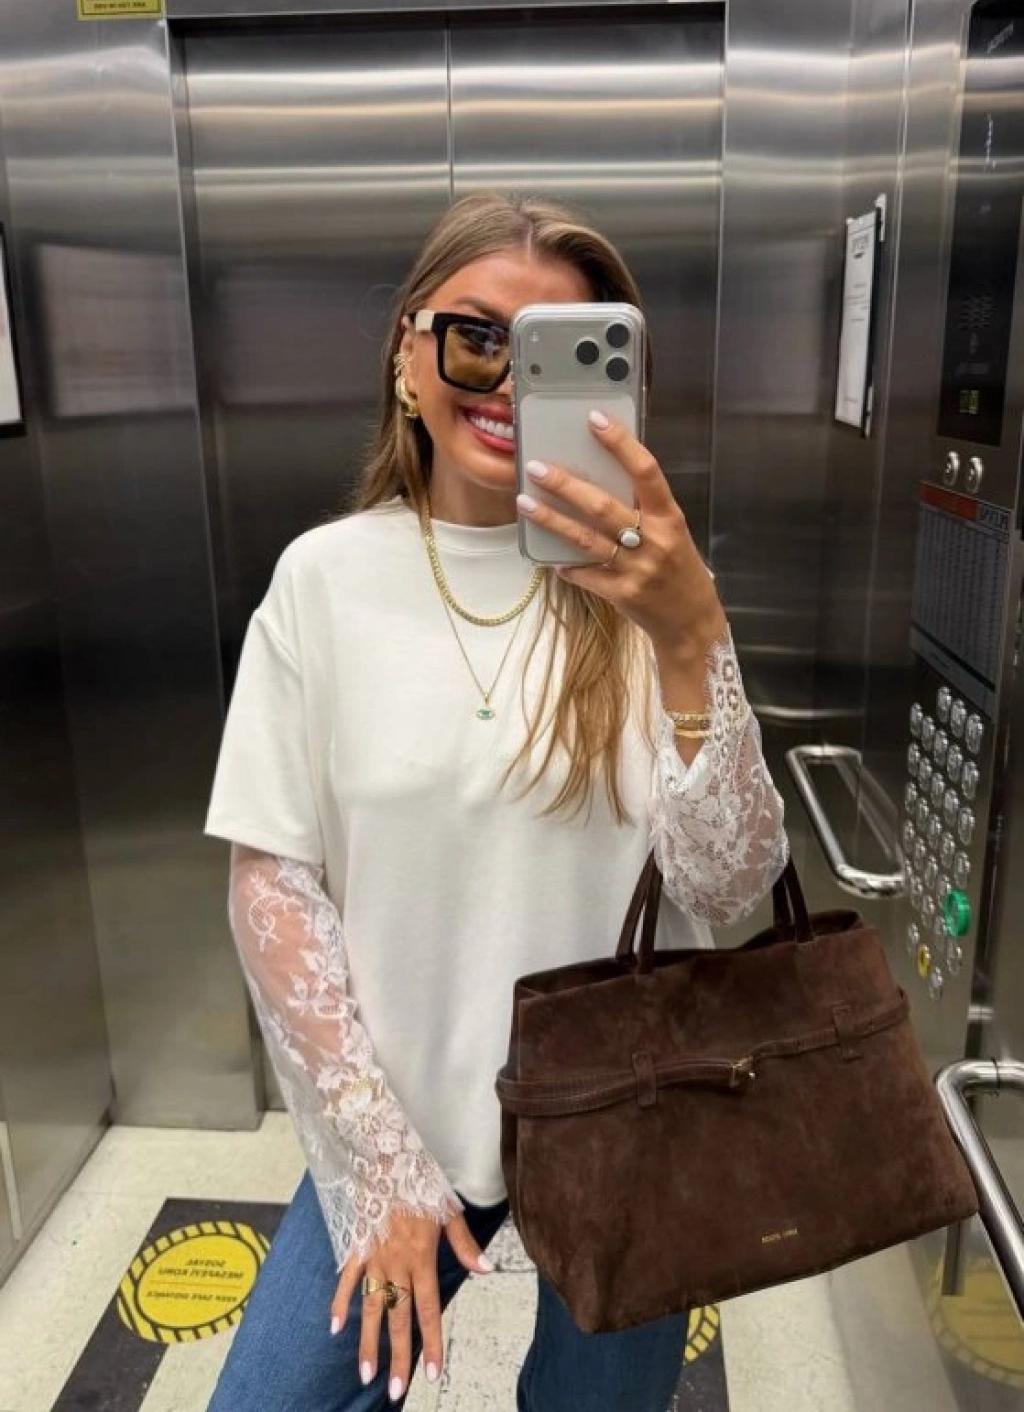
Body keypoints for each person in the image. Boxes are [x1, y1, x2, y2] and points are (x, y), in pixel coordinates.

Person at [204, 191, 788, 1412]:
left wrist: (691, 633)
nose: (509, 384)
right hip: (398, 1101)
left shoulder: (650, 588)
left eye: (559, 355)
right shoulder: (323, 581)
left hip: (630, 1118)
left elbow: (729, 885)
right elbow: (272, 880)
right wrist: (376, 1154)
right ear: (406, 356)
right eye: (477, 338)